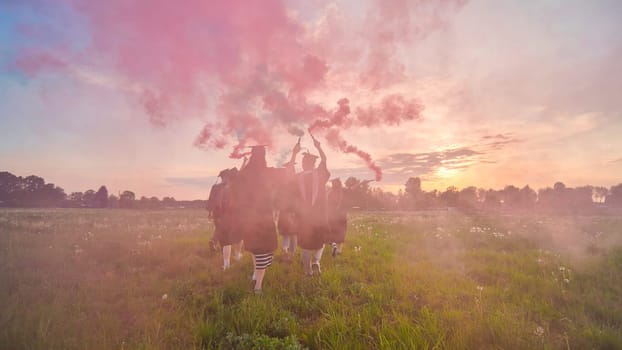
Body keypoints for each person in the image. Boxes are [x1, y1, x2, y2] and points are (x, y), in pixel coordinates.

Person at [234, 144, 296, 294]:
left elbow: (236, 188)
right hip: (263, 216)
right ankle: (258, 287)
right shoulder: (268, 172)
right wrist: (294, 153)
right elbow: (288, 173)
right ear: (263, 157)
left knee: (255, 249)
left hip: (248, 217)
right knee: (262, 249)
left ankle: (255, 275)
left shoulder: (245, 174)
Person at [294, 134, 330, 276]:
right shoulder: (320, 174)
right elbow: (325, 159)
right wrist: (319, 147)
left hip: (303, 217)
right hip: (320, 216)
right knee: (321, 241)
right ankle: (316, 261)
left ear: (303, 164)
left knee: (305, 245)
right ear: (314, 164)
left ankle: (307, 271)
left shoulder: (298, 178)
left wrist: (294, 153)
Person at [206, 168, 242, 270]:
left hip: (218, 216)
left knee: (224, 240)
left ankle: (226, 265)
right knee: (237, 238)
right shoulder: (234, 188)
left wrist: (210, 213)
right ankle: (237, 255)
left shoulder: (215, 187)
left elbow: (211, 201)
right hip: (232, 217)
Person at [327, 178, 347, 257]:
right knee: (341, 233)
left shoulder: (330, 193)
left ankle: (334, 247)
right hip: (342, 216)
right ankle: (339, 250)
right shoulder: (343, 192)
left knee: (332, 233)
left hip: (332, 216)